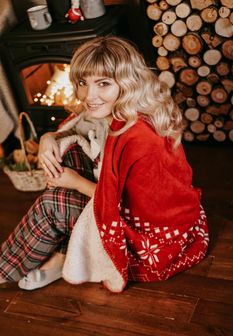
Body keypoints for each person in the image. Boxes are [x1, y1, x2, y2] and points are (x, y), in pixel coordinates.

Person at [0, 36, 209, 292]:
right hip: (134, 206)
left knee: (51, 204)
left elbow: (132, 208)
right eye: (82, 83)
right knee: (68, 152)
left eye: (103, 84)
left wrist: (74, 183)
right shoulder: (123, 110)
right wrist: (48, 138)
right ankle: (64, 252)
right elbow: (77, 125)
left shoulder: (138, 138)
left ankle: (5, 270)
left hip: (151, 237)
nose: (90, 96)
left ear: (127, 82)